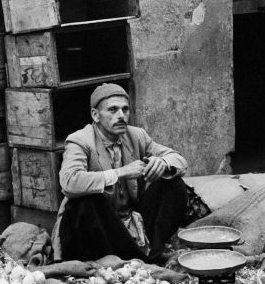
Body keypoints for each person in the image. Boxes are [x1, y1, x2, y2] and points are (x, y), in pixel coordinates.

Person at [53, 83, 188, 264]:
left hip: (130, 220)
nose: (121, 116)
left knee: (173, 183)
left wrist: (162, 163)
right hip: (101, 227)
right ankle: (111, 258)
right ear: (96, 115)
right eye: (113, 110)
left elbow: (179, 160)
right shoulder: (80, 140)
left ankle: (150, 251)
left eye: (125, 110)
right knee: (84, 200)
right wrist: (121, 172)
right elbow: (69, 182)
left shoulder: (136, 135)